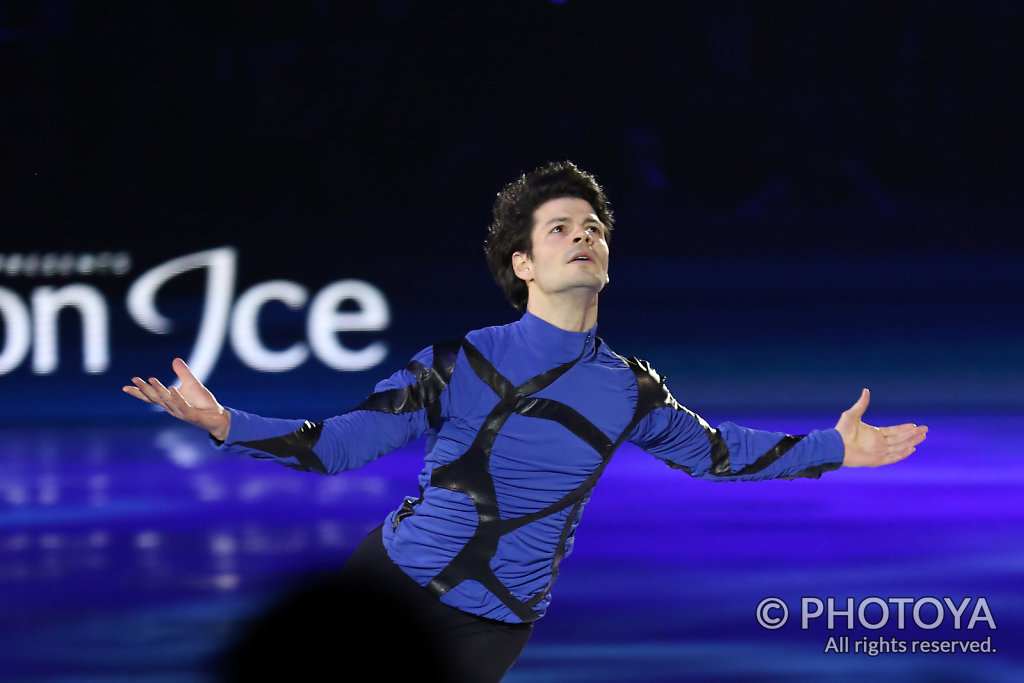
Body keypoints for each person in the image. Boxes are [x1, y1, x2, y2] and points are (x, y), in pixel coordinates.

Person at [124, 161, 928, 682]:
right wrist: (228, 422)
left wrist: (833, 447)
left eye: (594, 227)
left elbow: (719, 453)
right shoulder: (456, 363)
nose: (583, 235)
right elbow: (340, 446)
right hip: (387, 588)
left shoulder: (631, 389)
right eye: (560, 228)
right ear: (523, 264)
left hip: (494, 628)